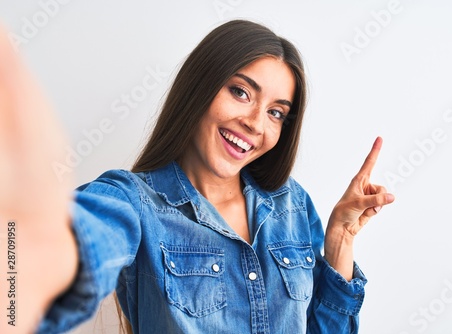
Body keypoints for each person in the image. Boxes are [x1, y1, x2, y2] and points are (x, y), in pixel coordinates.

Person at [0, 20, 394, 334]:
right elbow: (72, 251)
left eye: (276, 112)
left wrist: (340, 241)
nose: (256, 123)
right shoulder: (133, 202)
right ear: (199, 88)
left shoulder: (291, 203)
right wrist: (31, 255)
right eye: (241, 92)